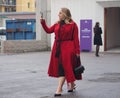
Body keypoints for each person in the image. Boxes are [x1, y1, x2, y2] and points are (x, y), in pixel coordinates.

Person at [40, 8, 82, 97]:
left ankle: (59, 89)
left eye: (60, 13)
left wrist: (77, 51)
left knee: (64, 67)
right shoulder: (57, 24)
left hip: (68, 48)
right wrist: (43, 23)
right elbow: (48, 31)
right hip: (57, 48)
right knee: (65, 67)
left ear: (65, 14)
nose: (58, 15)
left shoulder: (73, 25)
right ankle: (72, 84)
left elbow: (76, 39)